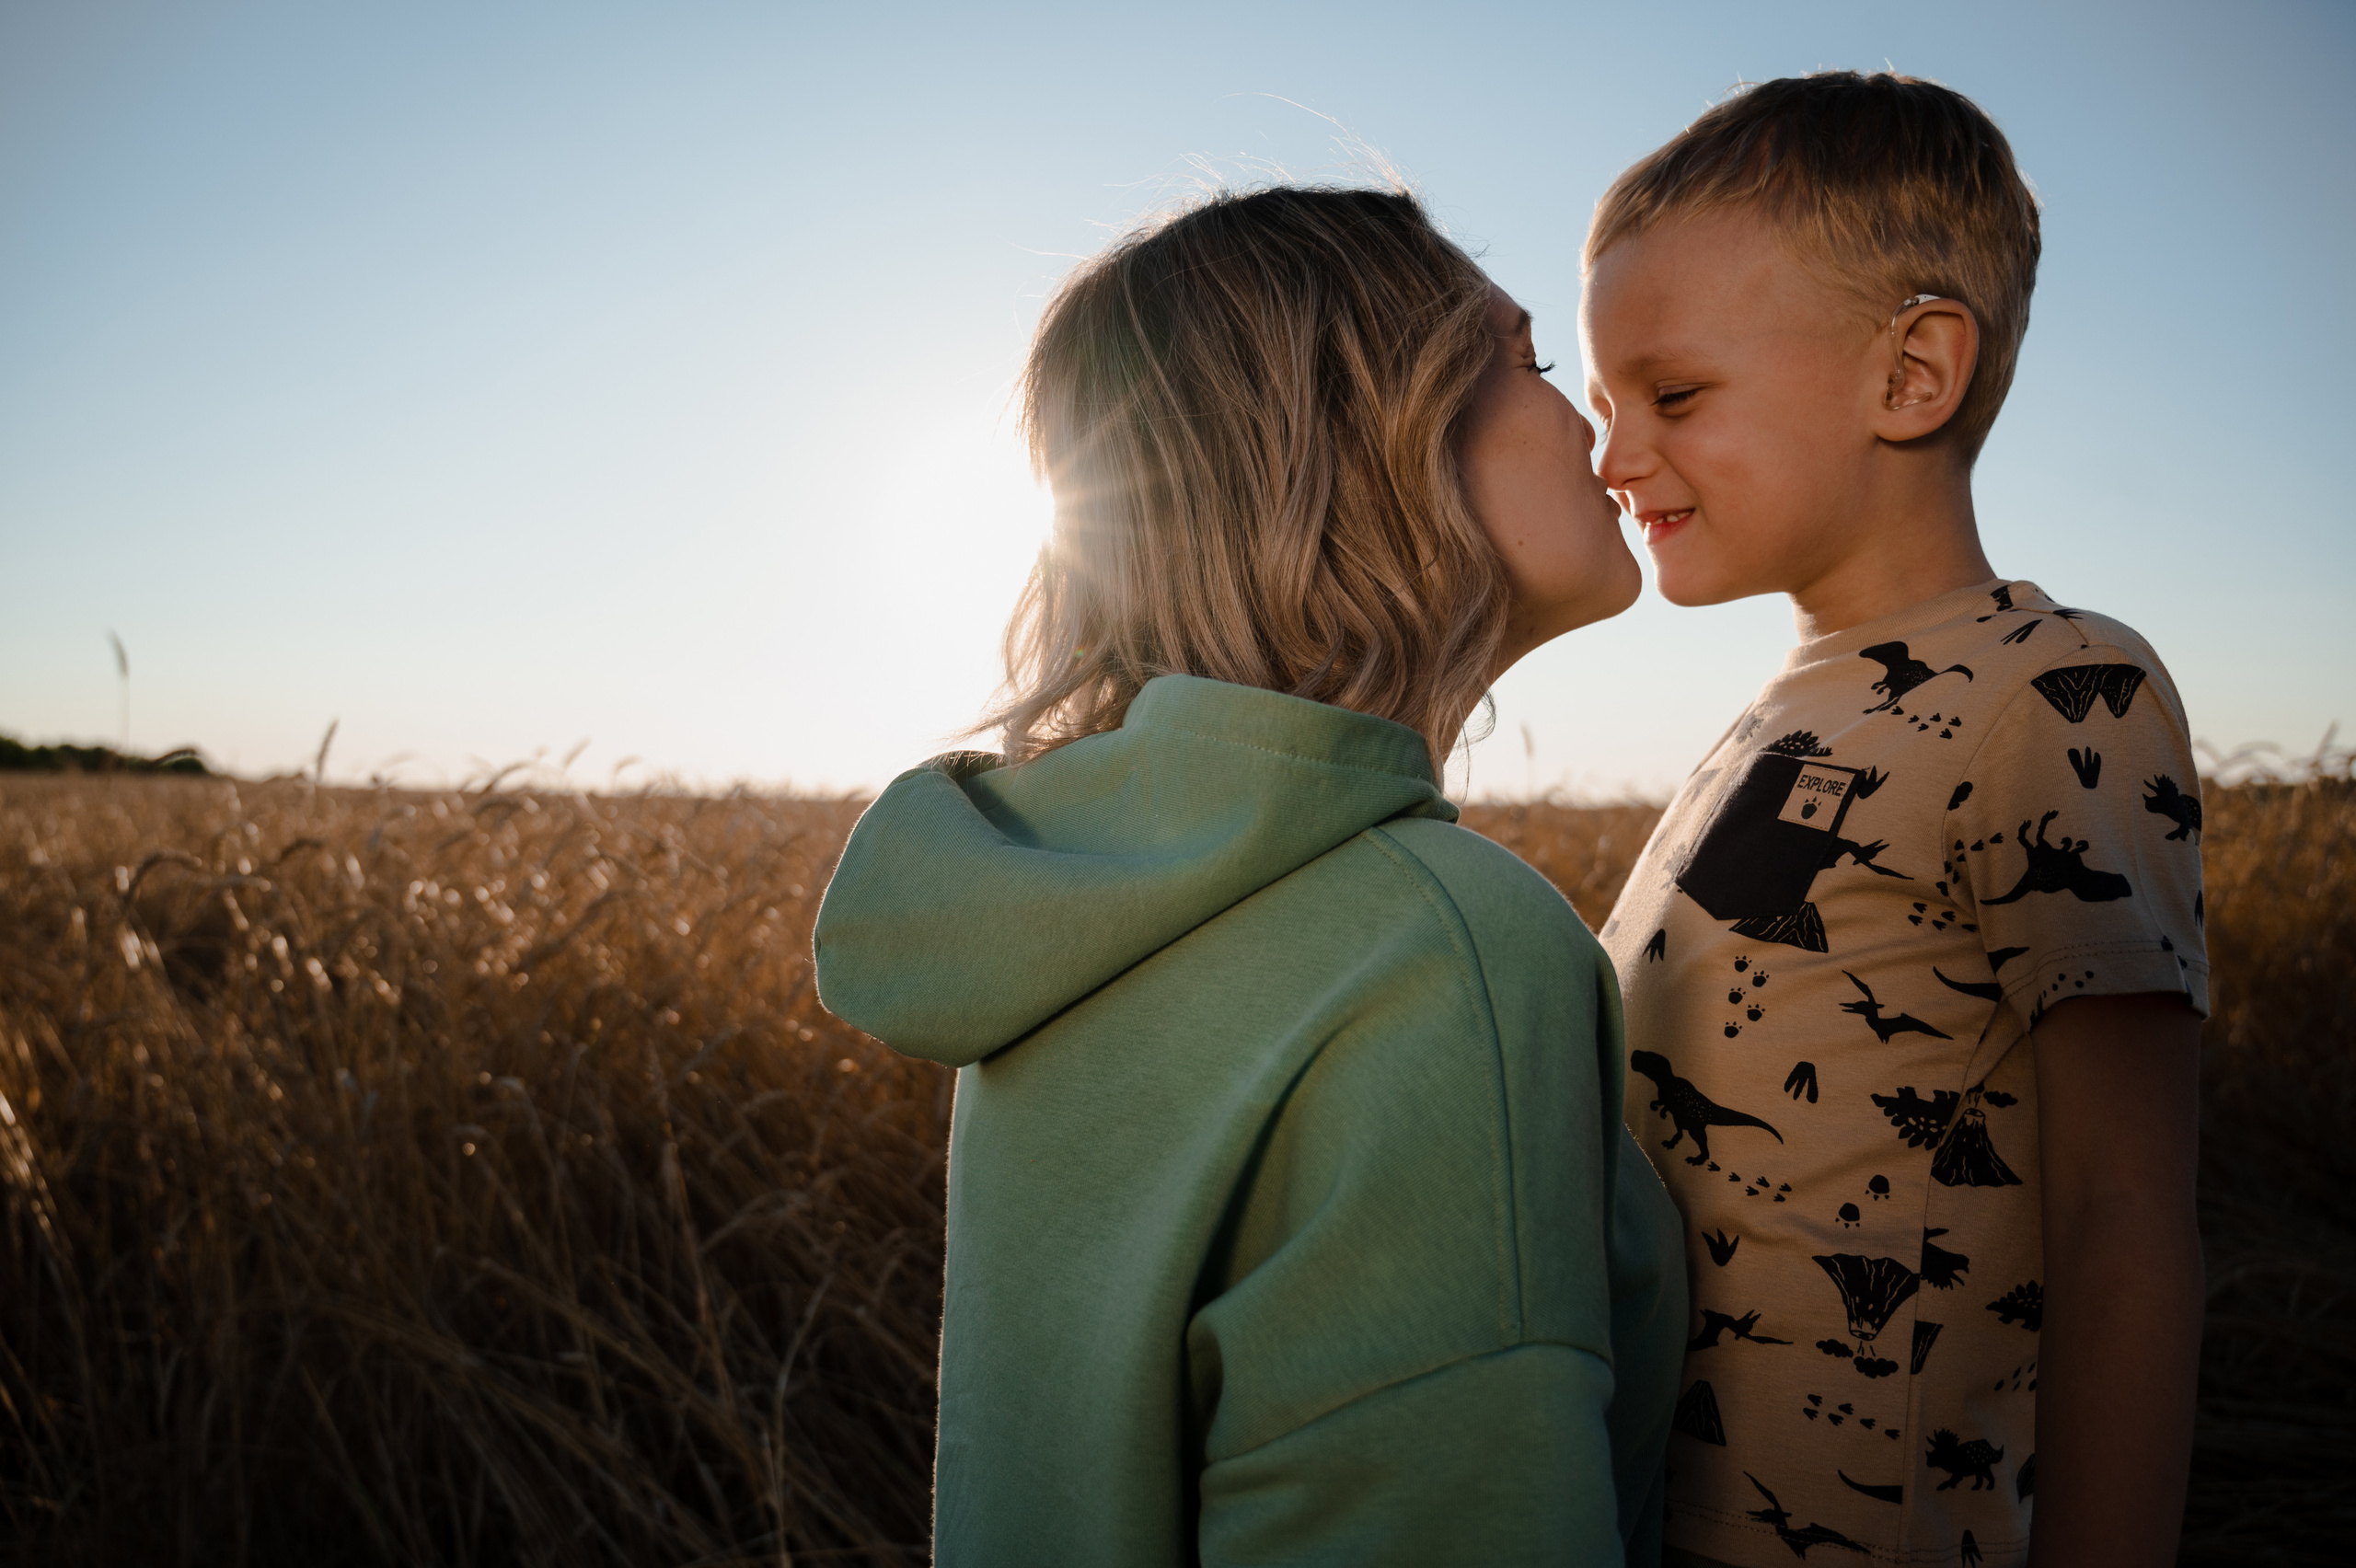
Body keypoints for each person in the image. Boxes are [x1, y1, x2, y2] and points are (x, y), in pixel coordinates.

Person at [814, 186, 1685, 1566]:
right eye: (1523, 361)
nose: (1591, 418)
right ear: (1373, 436)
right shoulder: (1442, 948)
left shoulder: (1066, 899)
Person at [1581, 73, 2206, 1568]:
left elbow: (2126, 1220)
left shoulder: (2057, 692)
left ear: (1913, 374)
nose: (1612, 458)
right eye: (1603, 408)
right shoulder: (1779, 715)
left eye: (1673, 396)